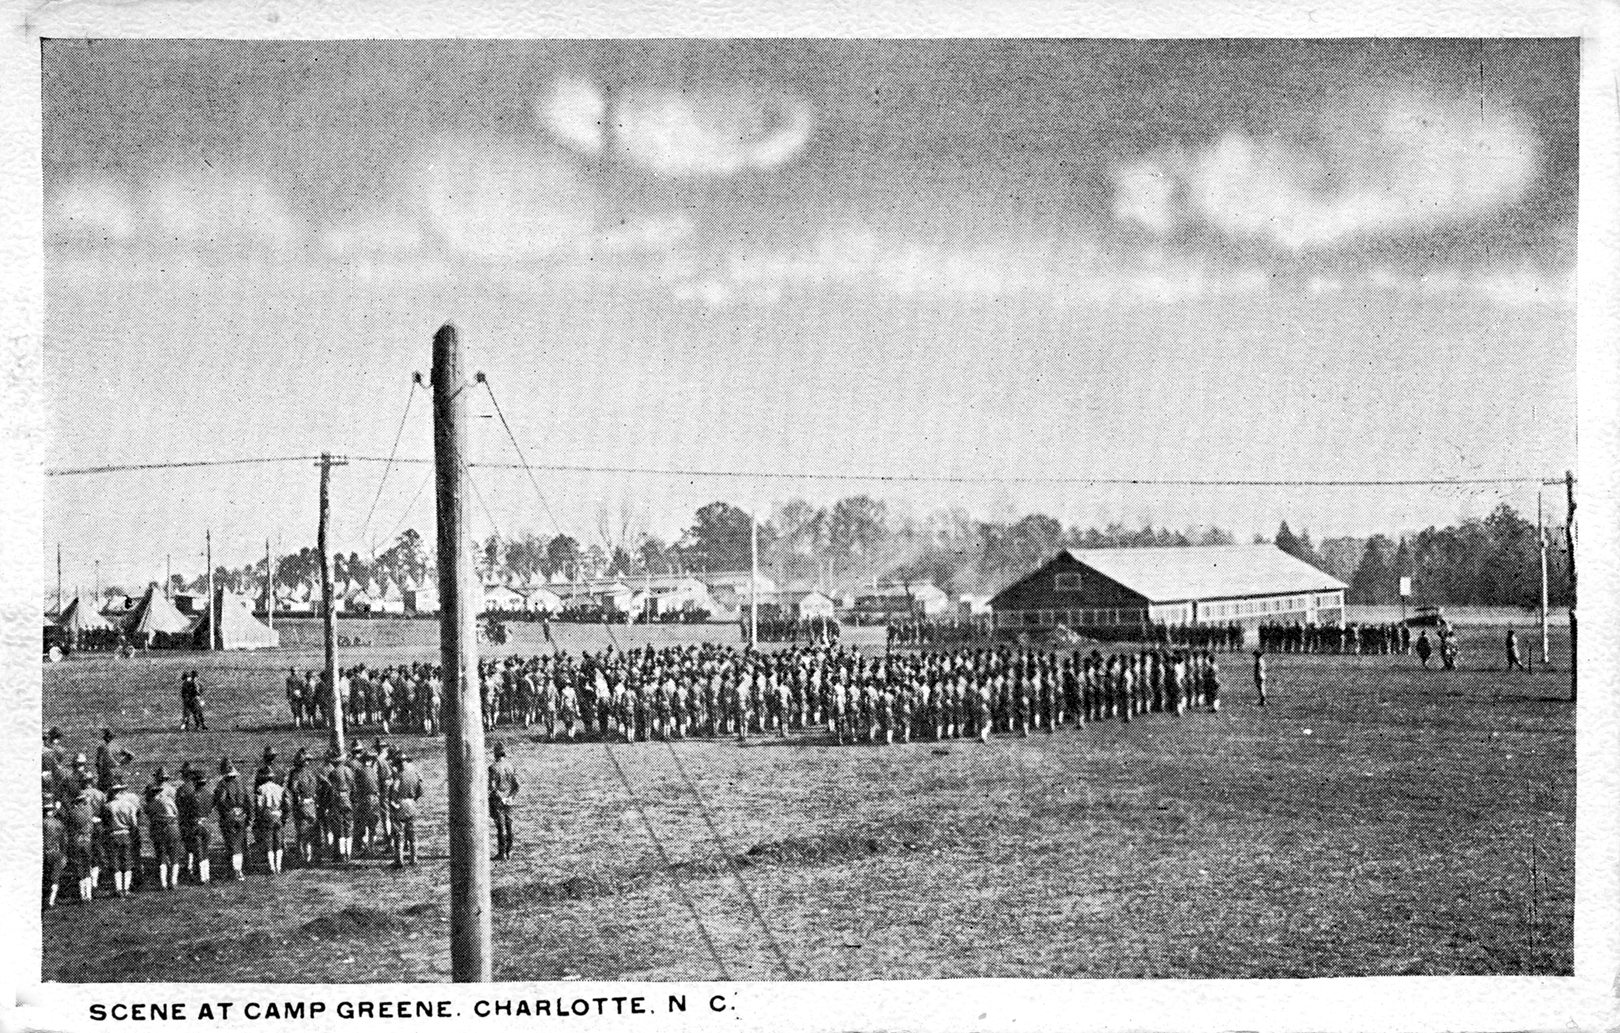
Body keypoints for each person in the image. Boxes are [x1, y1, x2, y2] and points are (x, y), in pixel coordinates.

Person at [100, 778, 141, 898]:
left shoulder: (108, 806)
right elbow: (134, 823)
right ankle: (126, 888)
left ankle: (118, 889)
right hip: (126, 834)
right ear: (122, 791)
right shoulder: (129, 805)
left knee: (115, 862)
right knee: (127, 861)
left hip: (113, 835)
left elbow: (105, 823)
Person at [211, 757, 251, 881]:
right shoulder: (241, 782)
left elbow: (220, 801)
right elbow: (248, 801)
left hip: (229, 817)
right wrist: (248, 816)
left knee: (231, 845)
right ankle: (238, 870)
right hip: (241, 816)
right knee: (239, 843)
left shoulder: (223, 784)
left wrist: (224, 812)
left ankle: (235, 871)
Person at [144, 766, 182, 891]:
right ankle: (174, 881)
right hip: (172, 825)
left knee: (161, 855)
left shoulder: (150, 801)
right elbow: (177, 812)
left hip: (157, 827)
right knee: (174, 855)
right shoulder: (172, 791)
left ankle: (163, 882)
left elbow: (148, 812)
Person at [286, 748, 322, 866]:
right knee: (311, 831)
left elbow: (293, 788)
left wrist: (298, 798)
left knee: (302, 832)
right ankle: (310, 856)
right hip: (311, 804)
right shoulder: (311, 772)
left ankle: (303, 857)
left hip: (302, 805)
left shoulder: (295, 774)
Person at [176, 763, 212, 884]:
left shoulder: (188, 795)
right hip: (206, 824)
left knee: (197, 851)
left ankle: (200, 876)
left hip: (192, 824)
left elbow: (182, 810)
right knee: (205, 850)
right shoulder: (209, 795)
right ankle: (206, 876)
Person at [388, 748, 423, 868]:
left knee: (399, 833)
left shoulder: (399, 776)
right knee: (412, 832)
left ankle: (399, 860)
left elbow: (394, 790)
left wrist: (393, 802)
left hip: (400, 803)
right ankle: (414, 858)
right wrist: (413, 800)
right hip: (412, 803)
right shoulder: (415, 774)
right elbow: (420, 791)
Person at [487, 742, 519, 861]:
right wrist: (510, 797)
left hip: (498, 800)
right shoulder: (510, 766)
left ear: (495, 753)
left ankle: (502, 853)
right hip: (508, 798)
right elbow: (517, 785)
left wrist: (499, 796)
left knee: (500, 827)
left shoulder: (493, 767)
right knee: (509, 825)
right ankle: (509, 851)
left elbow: (492, 787)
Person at [253, 766, 287, 875]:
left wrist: (259, 817)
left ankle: (272, 867)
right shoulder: (280, 788)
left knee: (269, 843)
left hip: (267, 815)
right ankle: (279, 866)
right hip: (278, 814)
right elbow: (286, 804)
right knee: (278, 841)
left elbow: (258, 806)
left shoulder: (261, 789)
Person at [325, 747, 356, 863]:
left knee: (340, 829)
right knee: (348, 827)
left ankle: (342, 854)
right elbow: (353, 788)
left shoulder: (333, 773)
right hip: (347, 800)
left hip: (337, 801)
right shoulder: (349, 771)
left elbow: (331, 790)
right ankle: (348, 854)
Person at [42, 799, 66, 908]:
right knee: (55, 877)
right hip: (56, 852)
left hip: (44, 852)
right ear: (52, 811)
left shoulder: (42, 823)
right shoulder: (59, 823)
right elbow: (64, 840)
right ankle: (51, 901)